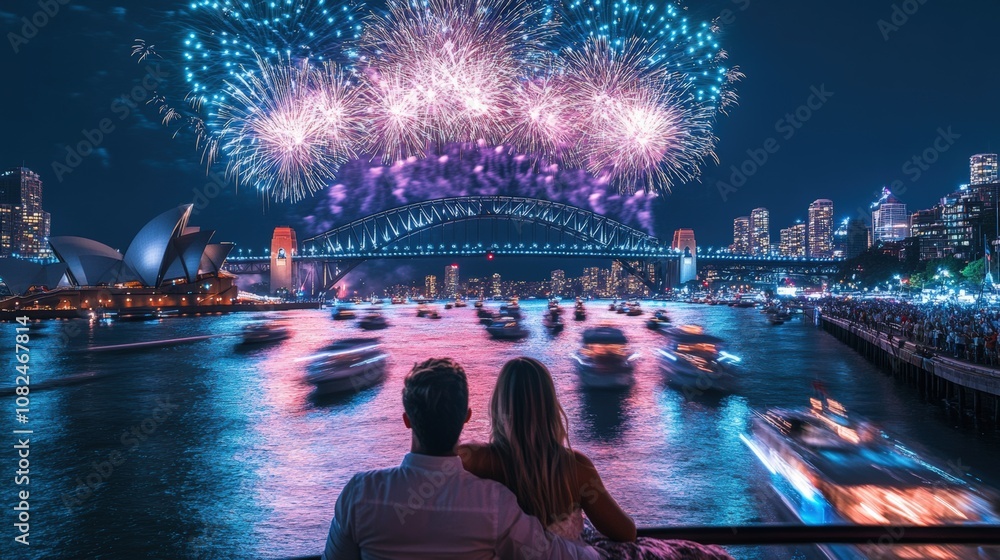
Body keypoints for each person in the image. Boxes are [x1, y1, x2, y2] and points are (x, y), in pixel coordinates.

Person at [322, 358, 599, 560]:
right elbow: (552, 554)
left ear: (407, 420)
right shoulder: (494, 504)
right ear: (466, 417)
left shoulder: (359, 495)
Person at [458, 357, 732, 560]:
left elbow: (436, 459)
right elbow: (625, 532)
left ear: (499, 405)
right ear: (550, 406)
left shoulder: (478, 461)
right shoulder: (575, 468)